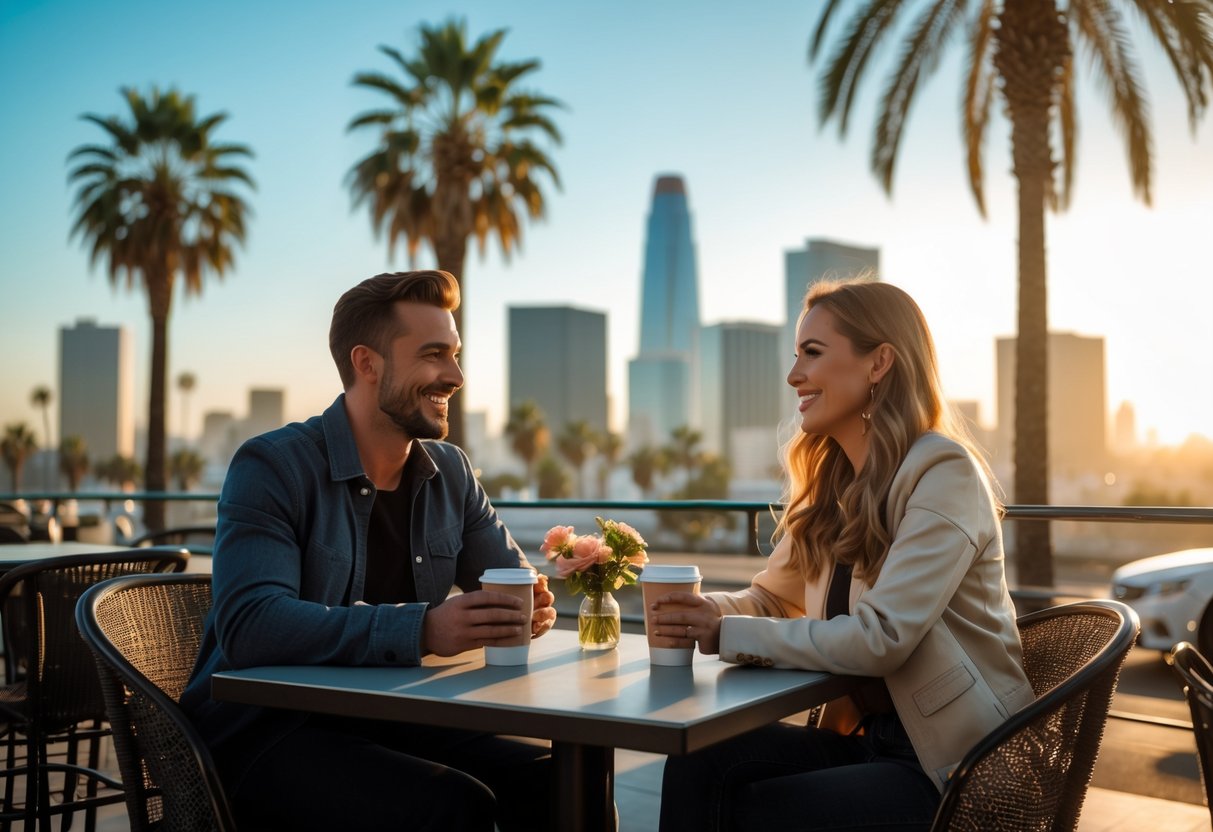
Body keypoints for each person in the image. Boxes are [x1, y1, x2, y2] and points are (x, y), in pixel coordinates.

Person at [650, 279, 1034, 831]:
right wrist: (702, 613)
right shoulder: (836, 486)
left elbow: (881, 639)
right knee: (699, 761)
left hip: (954, 770)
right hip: (871, 743)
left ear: (879, 363)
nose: (793, 375)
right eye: (796, 355)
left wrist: (725, 634)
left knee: (755, 813)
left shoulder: (944, 474)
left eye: (813, 353)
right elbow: (770, 599)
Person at [182, 270, 557, 831]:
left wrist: (531, 603)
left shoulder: (451, 472)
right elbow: (251, 625)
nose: (455, 376)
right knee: (449, 806)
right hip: (267, 735)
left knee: (557, 780)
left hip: (393, 717)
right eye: (434, 355)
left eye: (455, 355)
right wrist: (424, 630)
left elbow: (509, 578)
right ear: (367, 363)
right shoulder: (272, 466)